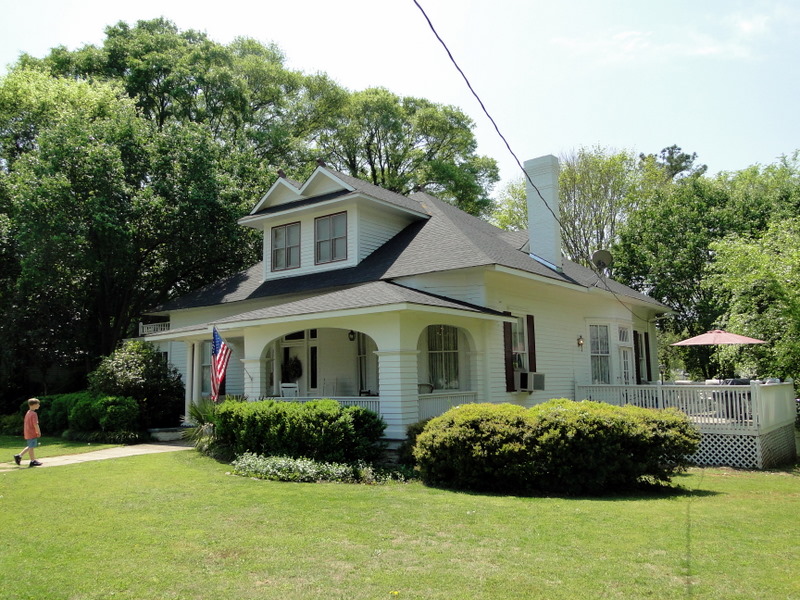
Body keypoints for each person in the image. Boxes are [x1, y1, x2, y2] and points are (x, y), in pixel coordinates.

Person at [14, 398, 42, 467]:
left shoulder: (28, 412)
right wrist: (38, 432)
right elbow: (35, 424)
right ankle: (32, 461)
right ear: (34, 405)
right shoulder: (34, 414)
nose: (39, 405)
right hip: (31, 433)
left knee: (30, 446)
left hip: (27, 432)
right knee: (31, 447)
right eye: (38, 404)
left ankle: (19, 456)